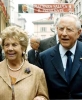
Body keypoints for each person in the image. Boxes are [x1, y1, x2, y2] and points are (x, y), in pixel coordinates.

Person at [39, 14, 82, 99]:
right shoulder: (44, 57)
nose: (64, 33)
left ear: (79, 33)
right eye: (61, 29)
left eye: (69, 29)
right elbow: (41, 89)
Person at [0, 26, 49, 100]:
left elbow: (44, 96)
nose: (10, 48)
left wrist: (40, 98)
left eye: (14, 45)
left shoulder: (37, 72)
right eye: (6, 45)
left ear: (23, 47)